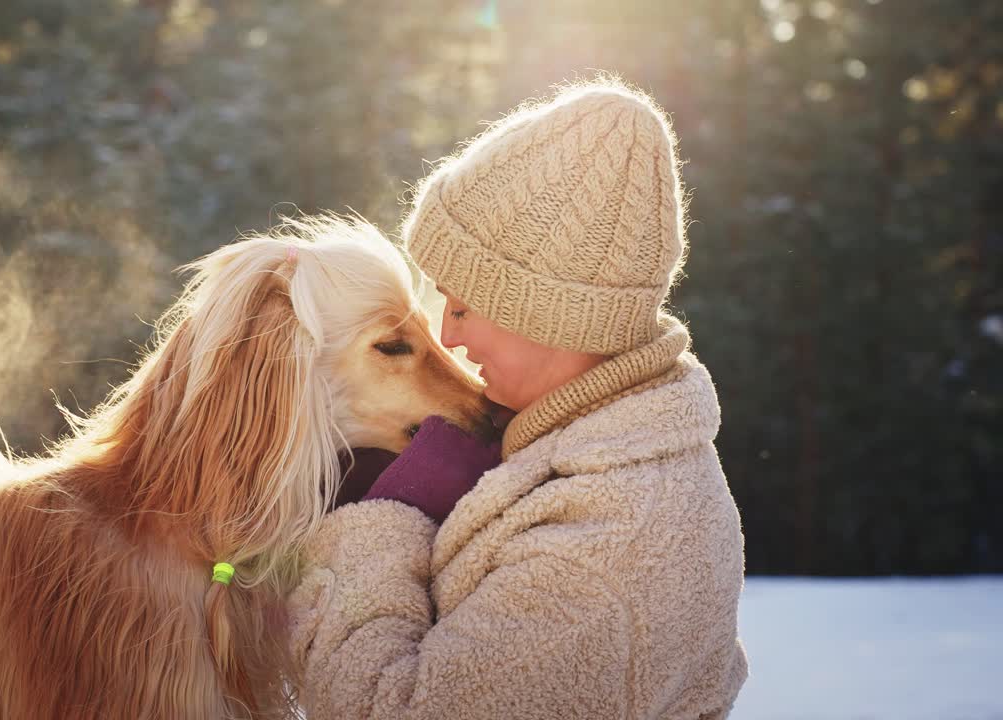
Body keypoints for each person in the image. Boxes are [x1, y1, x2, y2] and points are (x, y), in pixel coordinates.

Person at [287, 81, 748, 719]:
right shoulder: (582, 447)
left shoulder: (603, 552)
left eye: (464, 305)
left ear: (547, 316)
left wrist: (382, 524)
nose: (447, 333)